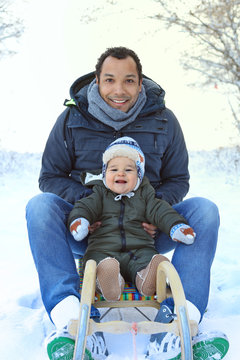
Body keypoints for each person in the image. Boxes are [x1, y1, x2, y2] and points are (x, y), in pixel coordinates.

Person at [25, 46, 229, 360]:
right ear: (97, 81)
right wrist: (92, 205)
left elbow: (179, 180)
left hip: (147, 230)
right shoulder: (71, 118)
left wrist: (150, 210)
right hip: (89, 227)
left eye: (129, 81)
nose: (119, 90)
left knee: (205, 210)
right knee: (40, 207)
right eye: (110, 80)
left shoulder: (163, 121)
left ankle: (180, 322)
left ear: (140, 82)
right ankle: (70, 320)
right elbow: (50, 176)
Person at [68, 136, 196, 302]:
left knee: (147, 261)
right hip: (103, 249)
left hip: (139, 250)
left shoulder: (146, 196)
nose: (121, 173)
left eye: (128, 170)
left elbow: (162, 211)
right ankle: (109, 283)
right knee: (99, 263)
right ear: (104, 174)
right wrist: (80, 220)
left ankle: (148, 280)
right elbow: (84, 207)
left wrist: (177, 226)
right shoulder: (99, 195)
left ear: (139, 175)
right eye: (113, 170)